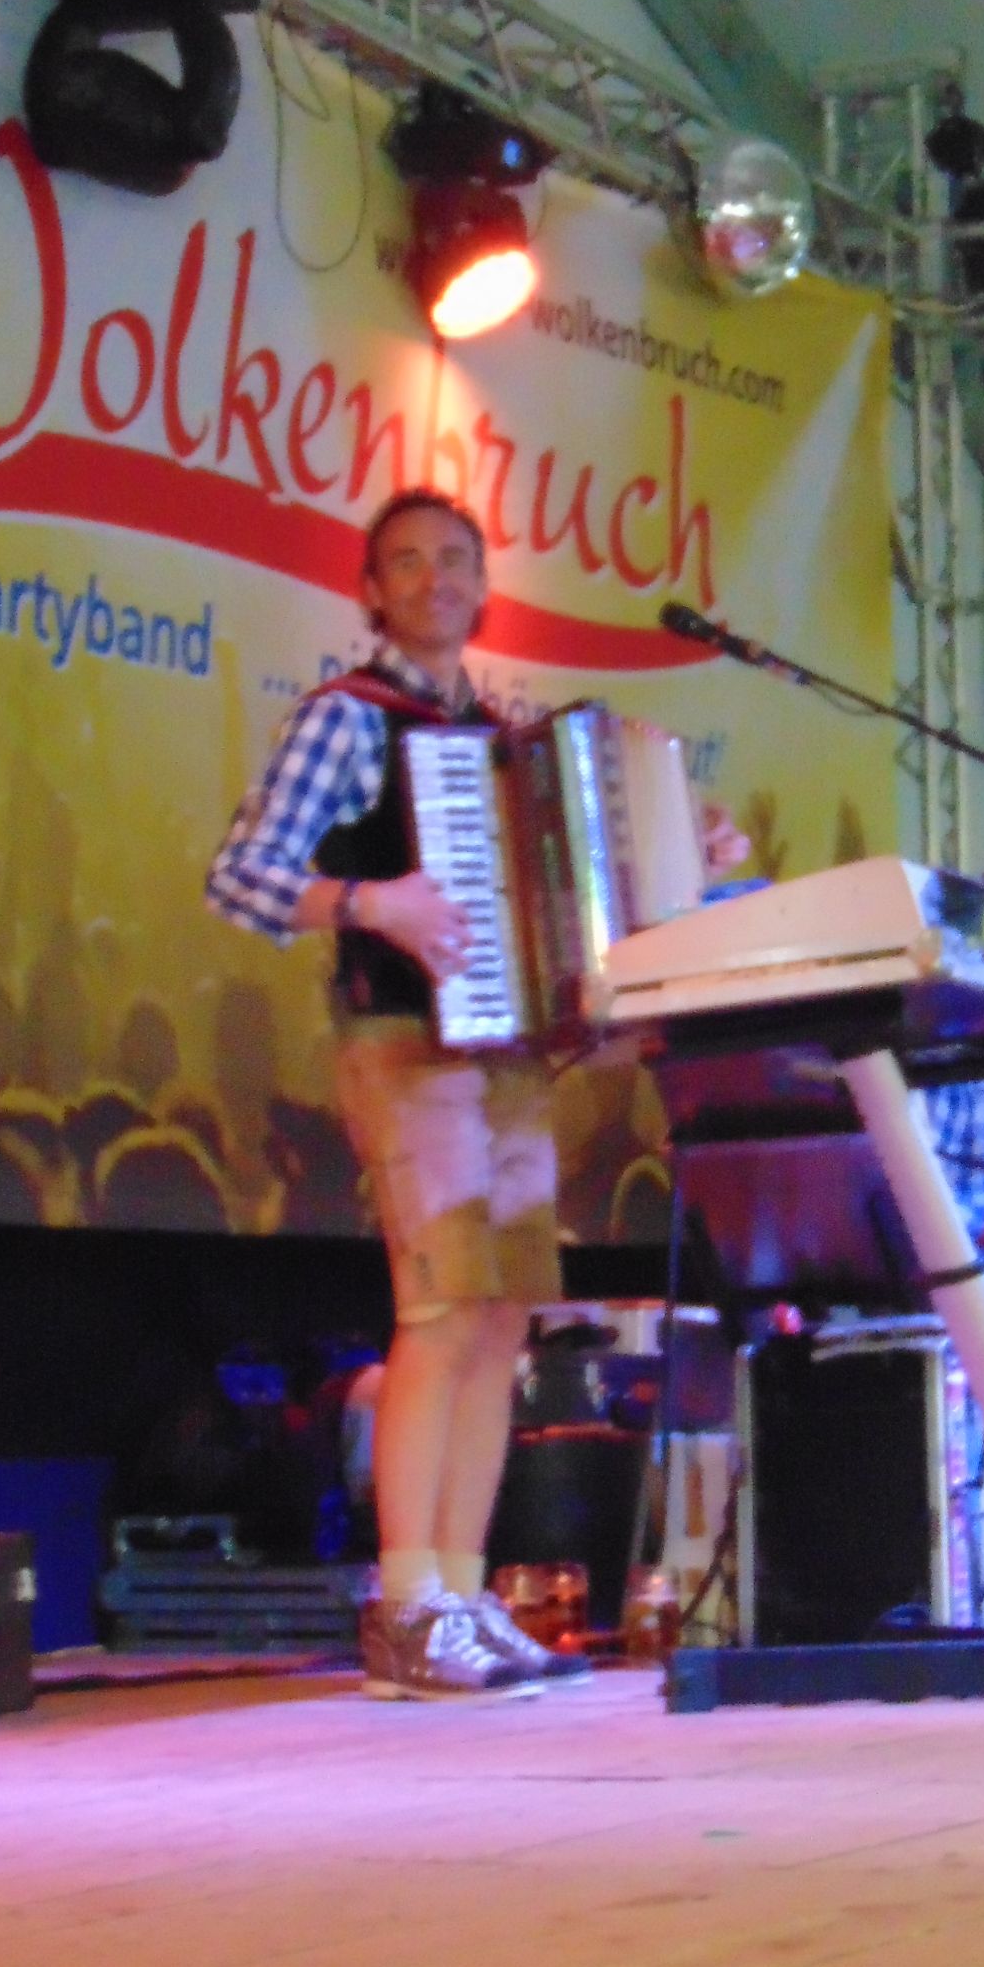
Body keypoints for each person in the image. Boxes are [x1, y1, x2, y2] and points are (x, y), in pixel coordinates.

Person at [208, 489, 742, 1699]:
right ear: (371, 591)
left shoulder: (508, 739)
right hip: (403, 1039)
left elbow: (588, 869)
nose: (435, 579)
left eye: (455, 559)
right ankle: (405, 1608)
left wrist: (688, 847)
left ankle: (456, 1591)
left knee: (502, 1322)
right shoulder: (347, 719)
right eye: (406, 562)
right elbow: (240, 874)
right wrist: (370, 902)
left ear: (485, 585)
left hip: (504, 1051)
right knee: (444, 1312)